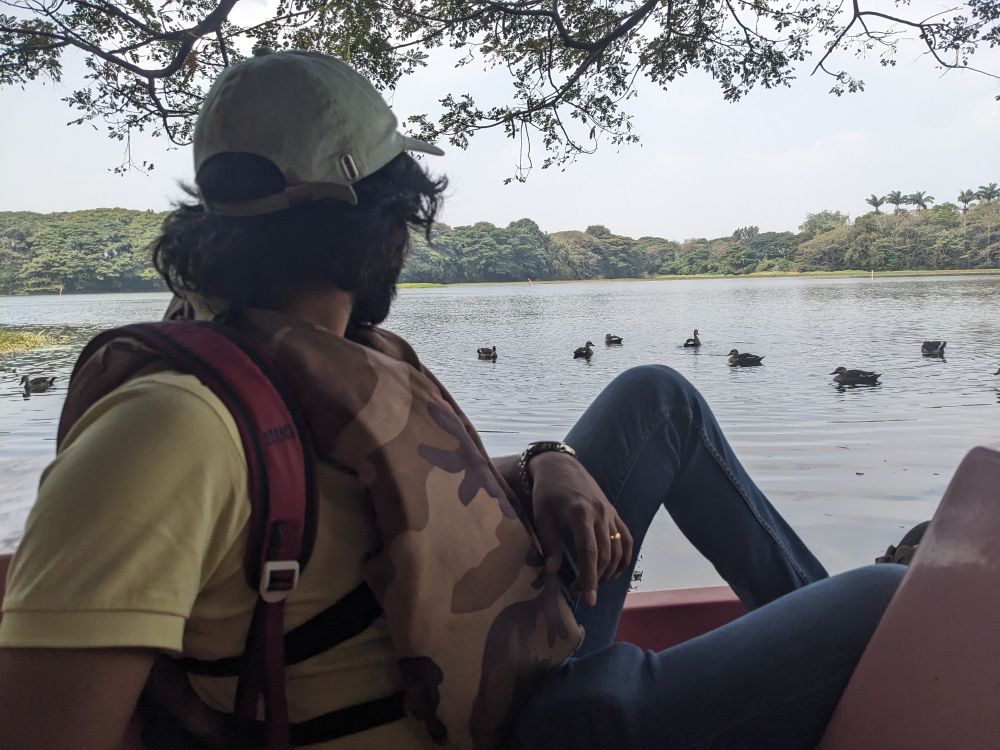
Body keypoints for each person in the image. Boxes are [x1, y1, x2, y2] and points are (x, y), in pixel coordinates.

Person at [0, 48, 906, 750]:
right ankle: (841, 649)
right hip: (504, 727)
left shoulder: (310, 357)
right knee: (889, 603)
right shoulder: (168, 427)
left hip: (506, 660)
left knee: (655, 398)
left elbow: (361, 516)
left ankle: (805, 632)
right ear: (384, 221)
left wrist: (548, 462)